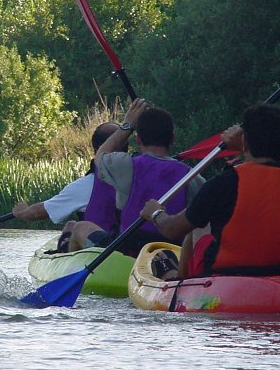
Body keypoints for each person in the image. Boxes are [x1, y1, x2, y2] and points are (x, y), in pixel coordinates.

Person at [140, 103, 280, 279]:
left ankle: (177, 279)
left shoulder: (223, 182)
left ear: (246, 142)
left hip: (227, 276)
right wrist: (248, 143)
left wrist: (155, 212)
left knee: (199, 227)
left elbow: (172, 229)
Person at [66, 98, 205, 256]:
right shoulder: (193, 177)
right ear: (172, 138)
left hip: (125, 251)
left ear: (138, 139)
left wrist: (127, 125)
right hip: (169, 254)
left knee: (80, 227)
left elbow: (101, 155)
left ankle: (77, 272)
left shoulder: (125, 165)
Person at [12, 122, 125, 251]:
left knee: (75, 227)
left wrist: (22, 212)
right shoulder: (140, 178)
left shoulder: (85, 186)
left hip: (104, 251)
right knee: (71, 225)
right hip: (138, 248)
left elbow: (39, 212)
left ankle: (64, 253)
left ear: (98, 150)